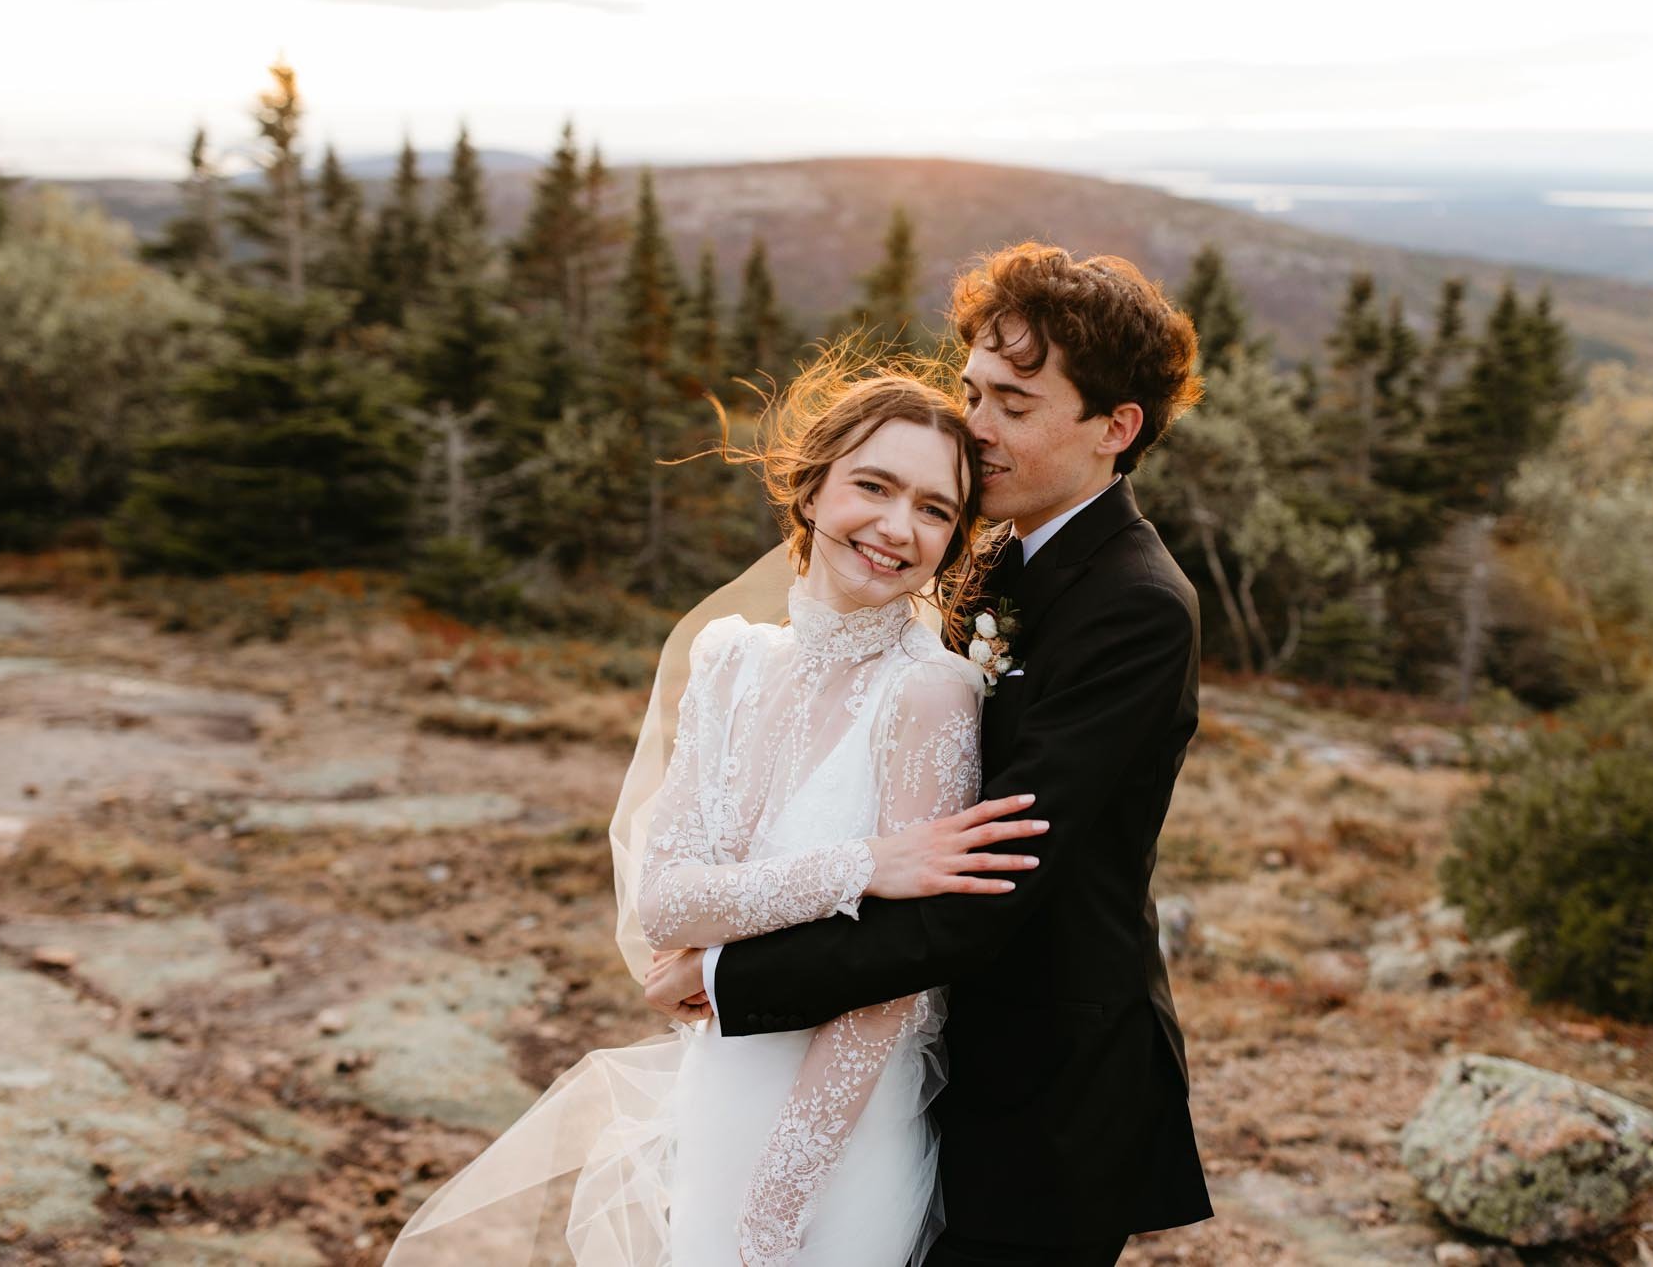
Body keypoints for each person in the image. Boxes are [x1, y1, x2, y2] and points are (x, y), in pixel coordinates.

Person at [384, 356, 1046, 1267]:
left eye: (935, 509)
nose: (898, 527)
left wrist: (780, 1202)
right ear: (812, 488)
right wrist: (866, 865)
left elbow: (894, 991)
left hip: (838, 1133)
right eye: (874, 486)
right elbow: (667, 901)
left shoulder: (931, 695)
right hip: (723, 1081)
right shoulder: (730, 661)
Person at [648, 243, 1216, 1266]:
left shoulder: (1136, 606)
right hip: (914, 1057)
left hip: (1042, 1083)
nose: (974, 425)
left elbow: (984, 886)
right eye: (970, 390)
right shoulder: (995, 552)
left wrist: (734, 976)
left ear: (1114, 428)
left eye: (1012, 401)